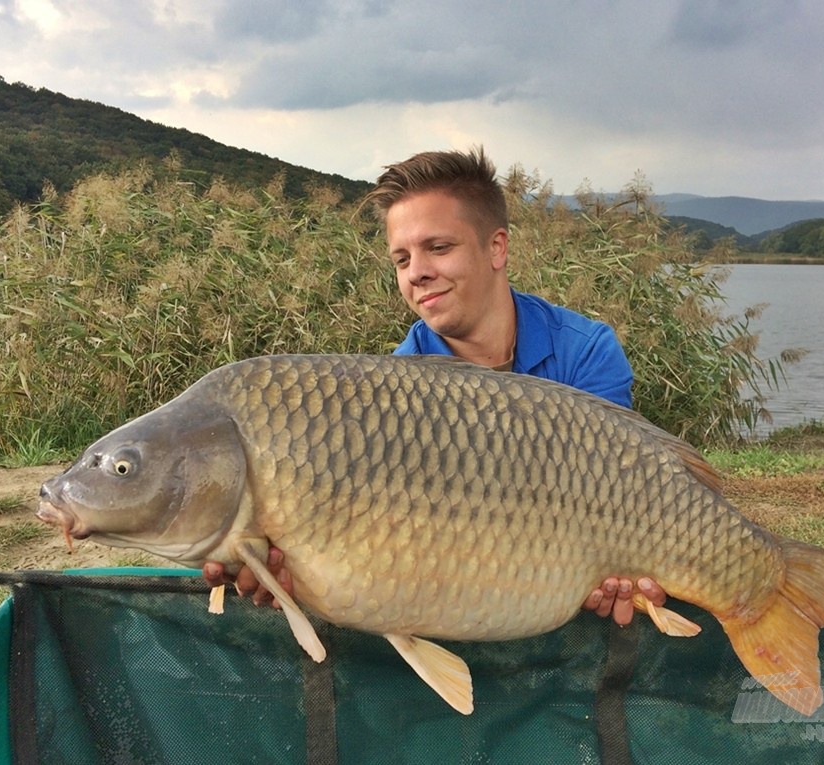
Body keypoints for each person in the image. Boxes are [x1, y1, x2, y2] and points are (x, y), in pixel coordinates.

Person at [203, 147, 666, 626]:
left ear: (497, 248)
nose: (416, 272)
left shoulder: (586, 351)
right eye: (401, 258)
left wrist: (624, 575)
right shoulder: (393, 397)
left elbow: (626, 488)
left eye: (438, 248)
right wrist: (295, 575)